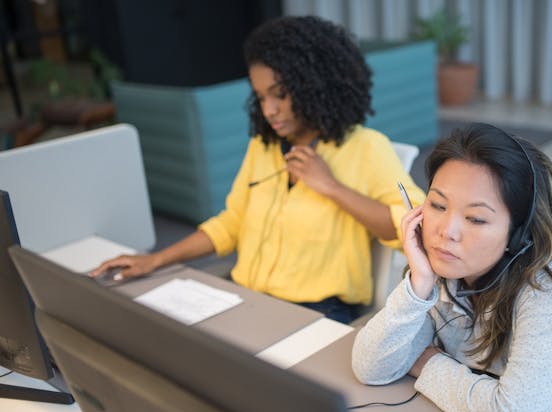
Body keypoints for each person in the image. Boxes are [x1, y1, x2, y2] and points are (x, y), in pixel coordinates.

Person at [92, 16, 424, 324]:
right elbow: (231, 224)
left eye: (279, 95)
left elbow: (415, 226)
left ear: (315, 85)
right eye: (261, 97)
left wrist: (331, 187)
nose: (269, 110)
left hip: (316, 312)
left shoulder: (366, 147)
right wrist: (156, 260)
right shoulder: (263, 147)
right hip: (245, 297)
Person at [352, 123, 552, 412]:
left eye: (476, 219)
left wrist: (429, 363)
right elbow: (371, 367)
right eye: (437, 205)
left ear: (517, 233)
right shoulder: (443, 269)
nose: (446, 231)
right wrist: (418, 285)